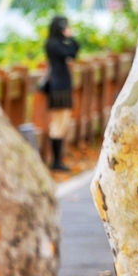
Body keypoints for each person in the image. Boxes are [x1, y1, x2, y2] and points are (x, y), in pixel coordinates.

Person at [44, 15, 79, 173]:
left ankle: (57, 160)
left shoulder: (54, 43)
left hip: (62, 86)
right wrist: (70, 38)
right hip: (58, 87)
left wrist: (70, 39)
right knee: (58, 123)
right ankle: (56, 161)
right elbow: (71, 52)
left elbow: (74, 51)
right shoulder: (53, 44)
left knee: (62, 123)